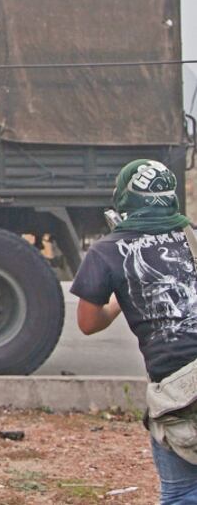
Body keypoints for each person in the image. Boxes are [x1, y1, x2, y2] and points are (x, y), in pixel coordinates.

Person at [72, 159, 197, 504]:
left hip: (181, 393)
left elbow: (87, 323)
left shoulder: (106, 251)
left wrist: (116, 303)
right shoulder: (192, 237)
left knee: (182, 493)